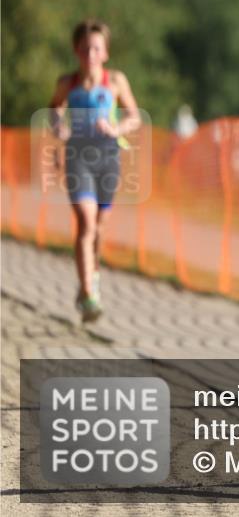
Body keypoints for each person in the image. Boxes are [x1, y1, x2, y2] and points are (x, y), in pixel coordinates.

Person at [48, 19, 141, 322]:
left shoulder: (115, 81)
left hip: (108, 157)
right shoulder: (67, 83)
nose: (91, 53)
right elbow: (53, 111)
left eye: (96, 48)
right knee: (86, 223)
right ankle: (88, 294)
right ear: (77, 50)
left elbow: (134, 117)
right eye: (86, 47)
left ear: (106, 53)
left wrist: (115, 128)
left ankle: (92, 276)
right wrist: (59, 130)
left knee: (99, 225)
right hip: (78, 157)